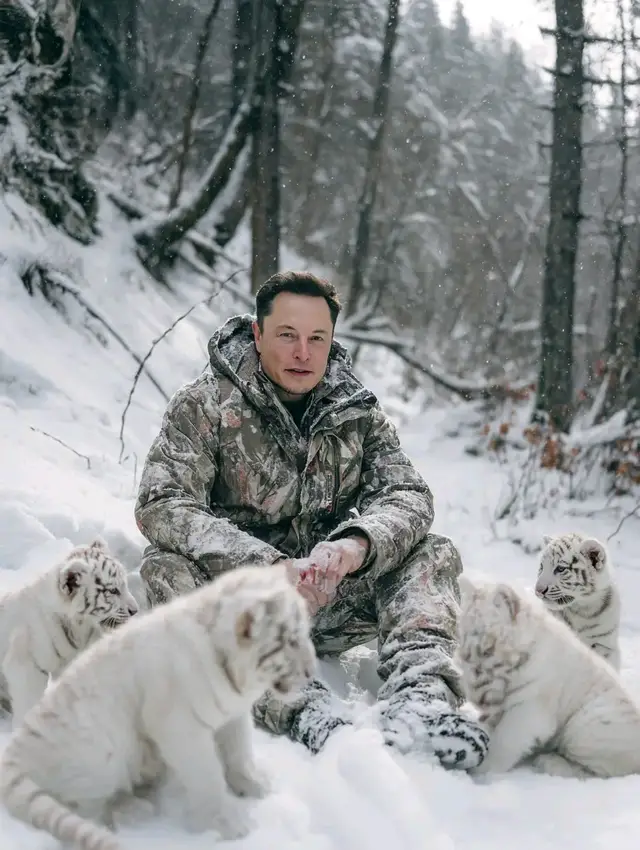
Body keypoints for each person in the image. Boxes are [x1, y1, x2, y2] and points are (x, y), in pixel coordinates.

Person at [133, 270, 488, 769]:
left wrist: (353, 547)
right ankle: (297, 704)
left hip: (332, 595)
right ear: (257, 335)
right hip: (247, 610)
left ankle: (421, 702)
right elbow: (161, 502)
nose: (303, 352)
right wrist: (267, 566)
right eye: (287, 336)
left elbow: (408, 494)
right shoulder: (205, 405)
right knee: (163, 568)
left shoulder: (356, 411)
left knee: (432, 550)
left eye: (317, 338)